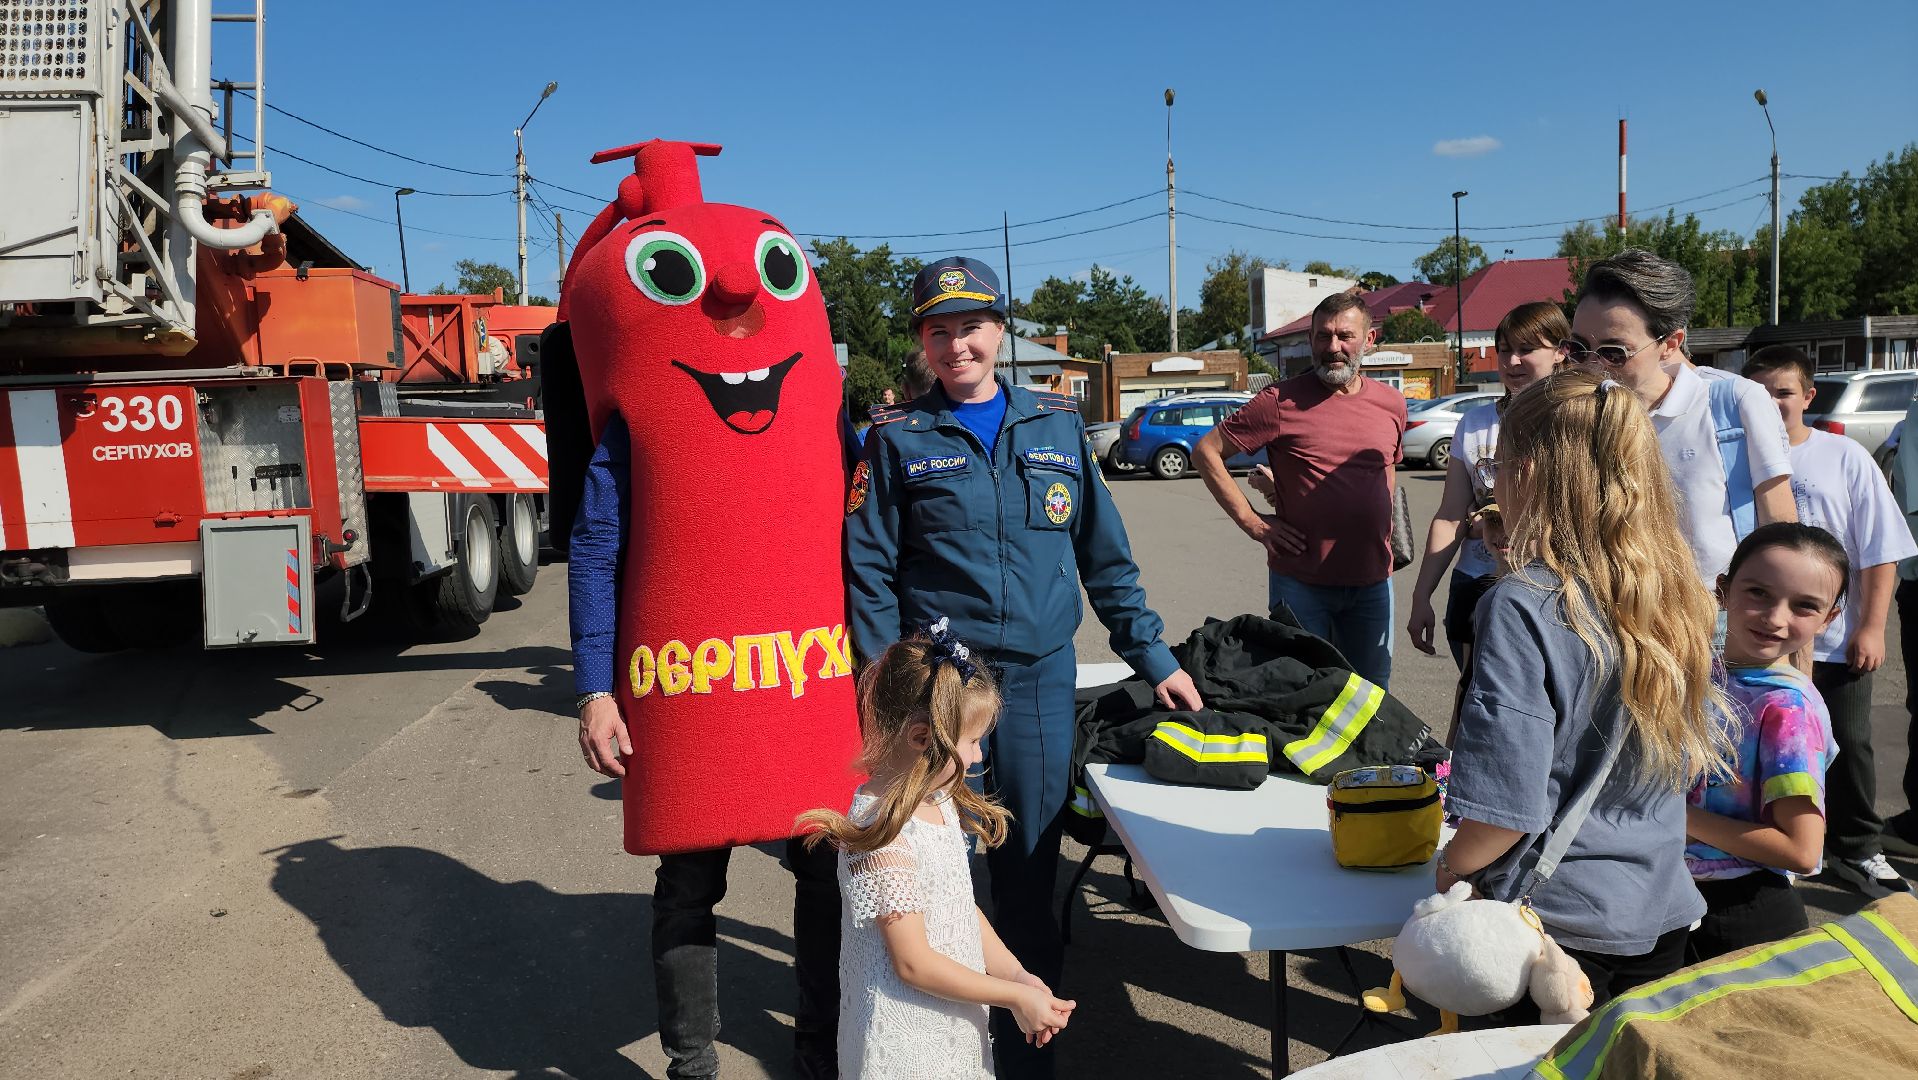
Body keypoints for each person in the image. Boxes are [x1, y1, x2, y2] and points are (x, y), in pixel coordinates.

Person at [845, 255, 1199, 1079]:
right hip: (942, 692)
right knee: (938, 869)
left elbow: (1105, 558)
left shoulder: (1057, 426)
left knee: (1029, 869)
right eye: (938, 331)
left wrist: (1154, 657)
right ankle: (945, 1046)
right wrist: (888, 693)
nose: (956, 345)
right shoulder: (896, 439)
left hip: (1038, 684)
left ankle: (1029, 1050)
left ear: (1001, 331)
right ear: (922, 343)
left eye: (971, 327)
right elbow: (868, 571)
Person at [1440, 369, 1731, 1012]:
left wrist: (1452, 868)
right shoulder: (1675, 591)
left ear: (1529, 473)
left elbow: (1504, 808)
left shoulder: (1523, 604)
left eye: (1498, 467)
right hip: (1659, 905)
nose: (1494, 483)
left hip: (1553, 927)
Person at [799, 626, 1076, 1078]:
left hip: (951, 1026)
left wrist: (1017, 976)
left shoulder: (938, 799)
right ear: (922, 738)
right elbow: (913, 963)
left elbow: (959, 908)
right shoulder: (883, 836)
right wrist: (1013, 997)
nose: (979, 756)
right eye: (971, 742)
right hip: (905, 1047)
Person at [1742, 346, 1917, 896]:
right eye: (1760, 393)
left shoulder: (1842, 456)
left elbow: (1880, 549)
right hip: (1755, 640)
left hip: (1834, 641)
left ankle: (1856, 847)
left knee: (1848, 743)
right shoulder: (1734, 458)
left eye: (1784, 392)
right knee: (1763, 747)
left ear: (1808, 396)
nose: (1772, 403)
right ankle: (1775, 847)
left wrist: (1871, 627)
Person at [1192, 291, 1406, 688]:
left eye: (1345, 336)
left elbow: (1386, 471)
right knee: (1303, 693)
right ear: (1310, 339)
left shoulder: (1391, 403)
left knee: (1373, 696)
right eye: (1323, 336)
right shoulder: (1279, 401)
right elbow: (1206, 452)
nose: (1333, 347)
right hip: (1302, 585)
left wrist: (1384, 532)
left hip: (1373, 583)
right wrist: (1255, 524)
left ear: (1369, 339)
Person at [1568, 249, 1795, 590]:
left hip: (1717, 609)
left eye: (1614, 353)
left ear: (1670, 344)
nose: (1592, 365)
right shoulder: (1576, 417)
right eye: (1577, 348)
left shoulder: (1733, 402)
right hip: (1613, 609)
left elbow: (1779, 526)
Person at [1686, 523, 1844, 959]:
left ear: (1829, 618)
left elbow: (1802, 849)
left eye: (1804, 606)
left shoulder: (1788, 710)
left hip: (1741, 915)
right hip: (1683, 898)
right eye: (1758, 592)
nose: (1775, 618)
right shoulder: (1702, 672)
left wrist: (1674, 818)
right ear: (1723, 590)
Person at [1407, 301, 1567, 669]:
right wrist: (1421, 596)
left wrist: (1501, 522)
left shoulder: (1574, 419)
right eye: (1505, 350)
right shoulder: (1475, 423)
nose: (1512, 361)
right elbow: (1450, 515)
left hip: (1551, 587)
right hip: (1475, 582)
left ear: (1561, 351)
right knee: (1471, 694)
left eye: (1527, 349)